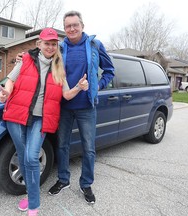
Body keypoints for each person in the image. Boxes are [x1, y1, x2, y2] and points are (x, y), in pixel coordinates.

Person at [0, 27, 89, 216]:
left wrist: (79, 88)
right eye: (47, 43)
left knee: (32, 157)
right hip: (16, 115)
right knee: (23, 157)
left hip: (41, 119)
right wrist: (5, 91)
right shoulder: (26, 60)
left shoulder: (59, 68)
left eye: (53, 44)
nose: (50, 47)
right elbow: (10, 80)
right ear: (39, 44)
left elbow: (66, 94)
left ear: (57, 46)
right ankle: (31, 198)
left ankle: (34, 205)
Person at [47, 11, 115, 204]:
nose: (72, 29)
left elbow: (109, 71)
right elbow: (43, 63)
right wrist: (22, 58)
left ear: (82, 25)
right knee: (62, 145)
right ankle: (63, 179)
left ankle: (86, 183)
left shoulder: (95, 45)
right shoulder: (60, 48)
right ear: (64, 28)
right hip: (65, 105)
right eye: (68, 26)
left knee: (88, 148)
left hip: (86, 106)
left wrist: (97, 86)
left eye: (75, 25)